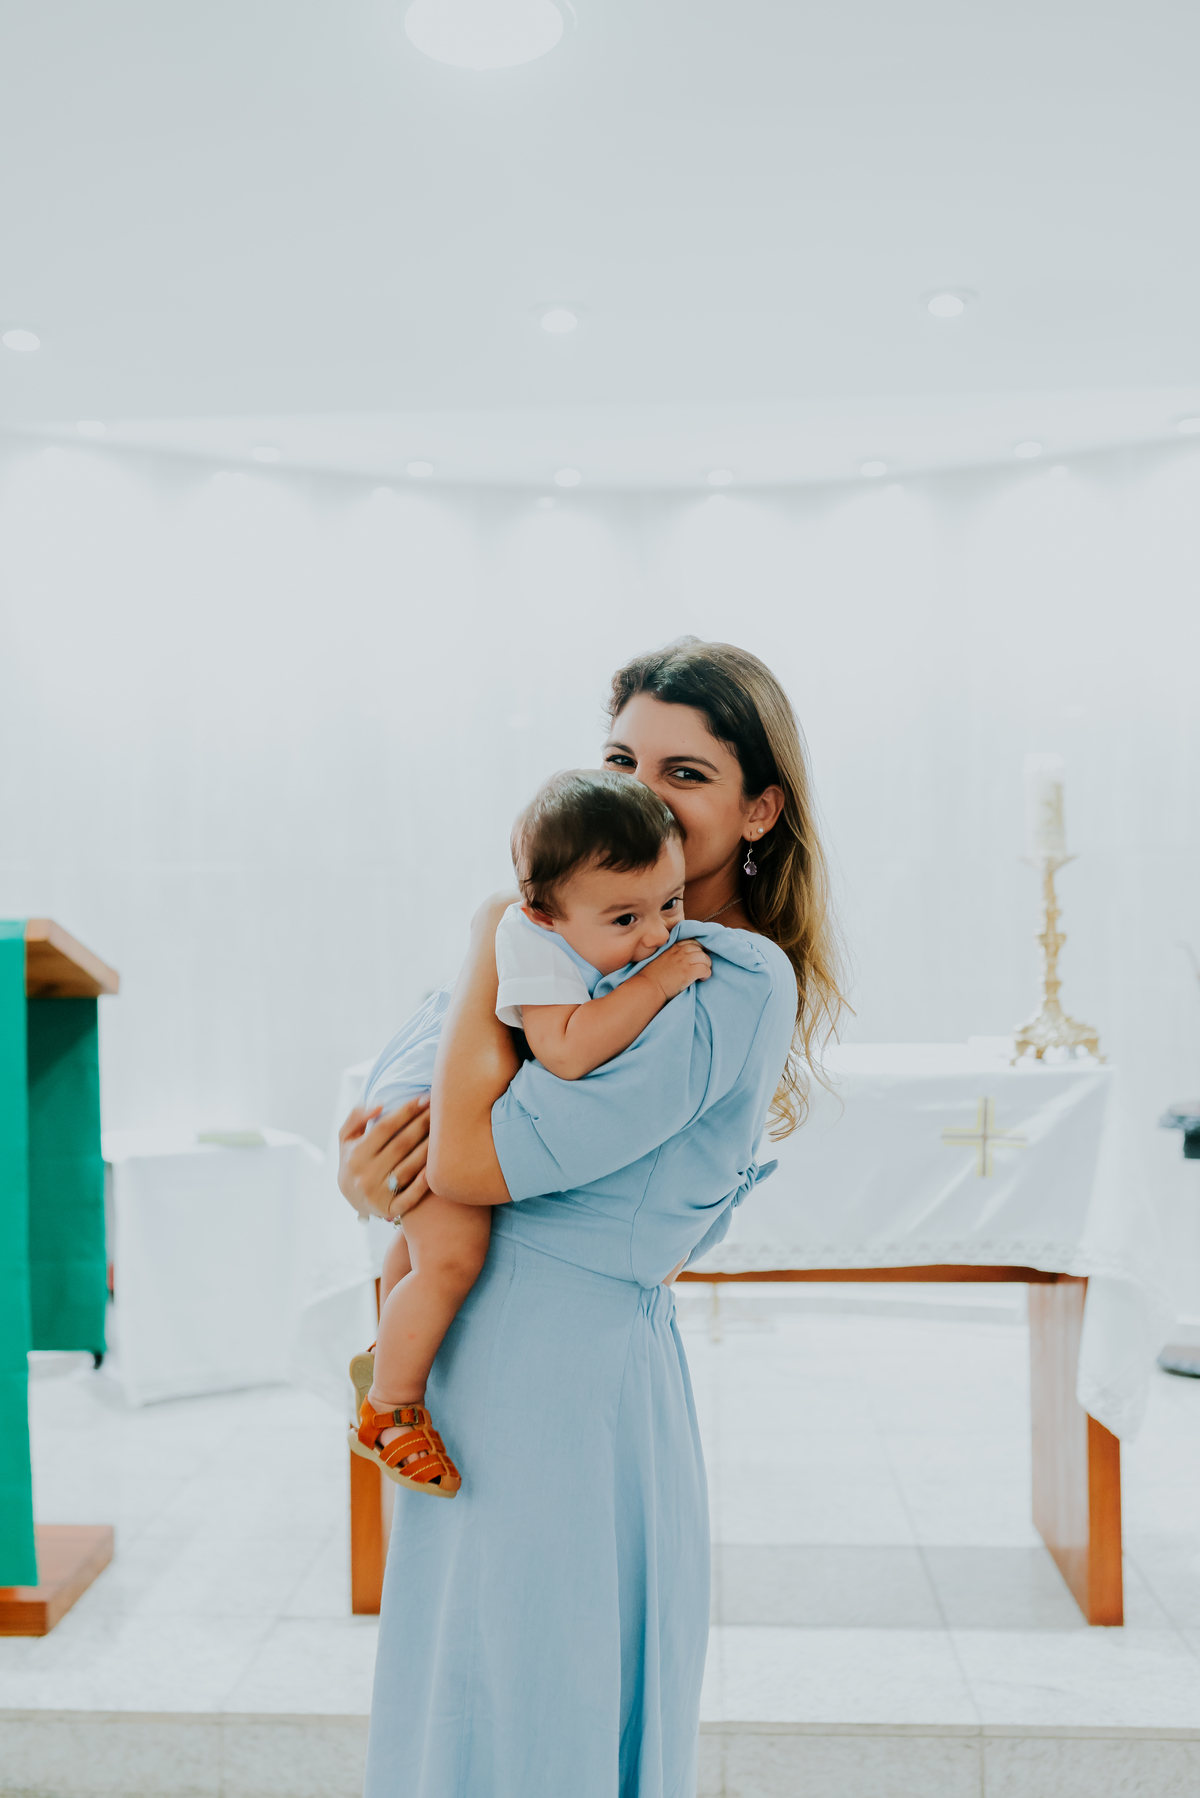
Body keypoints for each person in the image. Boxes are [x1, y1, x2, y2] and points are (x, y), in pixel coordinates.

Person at [338, 638, 844, 1798]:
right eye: (622, 757)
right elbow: (391, 1114)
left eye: (688, 772)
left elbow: (472, 1151)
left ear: (760, 809)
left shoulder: (724, 975)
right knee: (460, 1685)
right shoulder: (567, 944)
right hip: (473, 1356)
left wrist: (484, 945)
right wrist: (377, 1175)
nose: (644, 790)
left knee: (546, 1692)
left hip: (566, 1370)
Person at [347, 769, 714, 1496]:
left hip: (424, 1080)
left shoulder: (568, 913)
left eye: (670, 904)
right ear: (546, 915)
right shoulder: (534, 942)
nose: (656, 933)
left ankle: (387, 1349)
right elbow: (567, 1050)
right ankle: (387, 1409)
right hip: (425, 1102)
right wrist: (658, 981)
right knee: (453, 1257)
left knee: (417, 1247)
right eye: (625, 921)